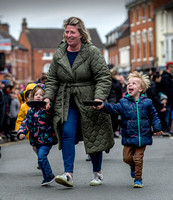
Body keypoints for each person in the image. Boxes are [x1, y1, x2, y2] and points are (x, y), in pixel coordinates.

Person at [43, 16, 114, 187]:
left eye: (72, 32)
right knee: (67, 133)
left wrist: (98, 97)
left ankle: (97, 172)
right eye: (66, 31)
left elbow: (103, 77)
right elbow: (52, 79)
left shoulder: (92, 52)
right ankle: (68, 174)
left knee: (93, 134)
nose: (68, 35)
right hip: (67, 100)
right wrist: (47, 97)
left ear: (81, 33)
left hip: (89, 99)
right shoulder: (60, 52)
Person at [94, 71, 163, 188]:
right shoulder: (123, 102)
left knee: (138, 159)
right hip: (128, 136)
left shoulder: (147, 102)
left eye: (134, 83)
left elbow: (154, 115)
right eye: (129, 83)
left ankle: (138, 179)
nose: (130, 85)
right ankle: (132, 166)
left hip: (143, 136)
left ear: (141, 89)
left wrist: (157, 128)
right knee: (126, 158)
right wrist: (103, 106)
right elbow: (114, 108)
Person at [17, 84, 57, 186]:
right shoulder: (31, 111)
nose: (38, 96)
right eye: (36, 94)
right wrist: (21, 132)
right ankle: (46, 177)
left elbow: (53, 111)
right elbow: (26, 122)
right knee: (41, 159)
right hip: (35, 140)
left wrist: (49, 104)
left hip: (47, 139)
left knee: (41, 157)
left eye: (41, 94)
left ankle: (49, 175)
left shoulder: (47, 109)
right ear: (32, 97)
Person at [160, 62, 173, 135]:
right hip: (168, 100)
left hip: (170, 100)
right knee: (167, 116)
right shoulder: (165, 77)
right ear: (170, 68)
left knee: (168, 116)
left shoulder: (169, 77)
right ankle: (166, 130)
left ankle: (168, 129)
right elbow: (167, 90)